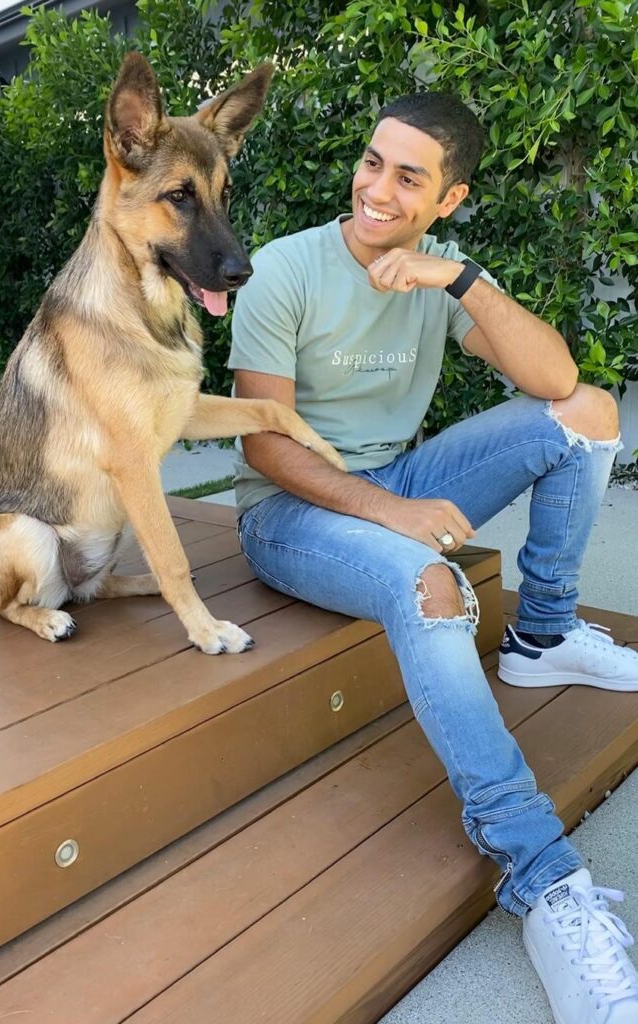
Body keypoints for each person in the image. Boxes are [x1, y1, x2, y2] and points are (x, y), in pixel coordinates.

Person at [228, 92, 638, 1023]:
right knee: (431, 584)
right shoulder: (285, 269)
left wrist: (454, 281)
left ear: (447, 198)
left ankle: (541, 636)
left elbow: (556, 381)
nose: (374, 188)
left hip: (399, 474)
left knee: (588, 416)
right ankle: (540, 874)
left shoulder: (433, 271)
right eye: (372, 161)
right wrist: (389, 511)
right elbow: (262, 442)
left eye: (407, 177)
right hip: (291, 509)